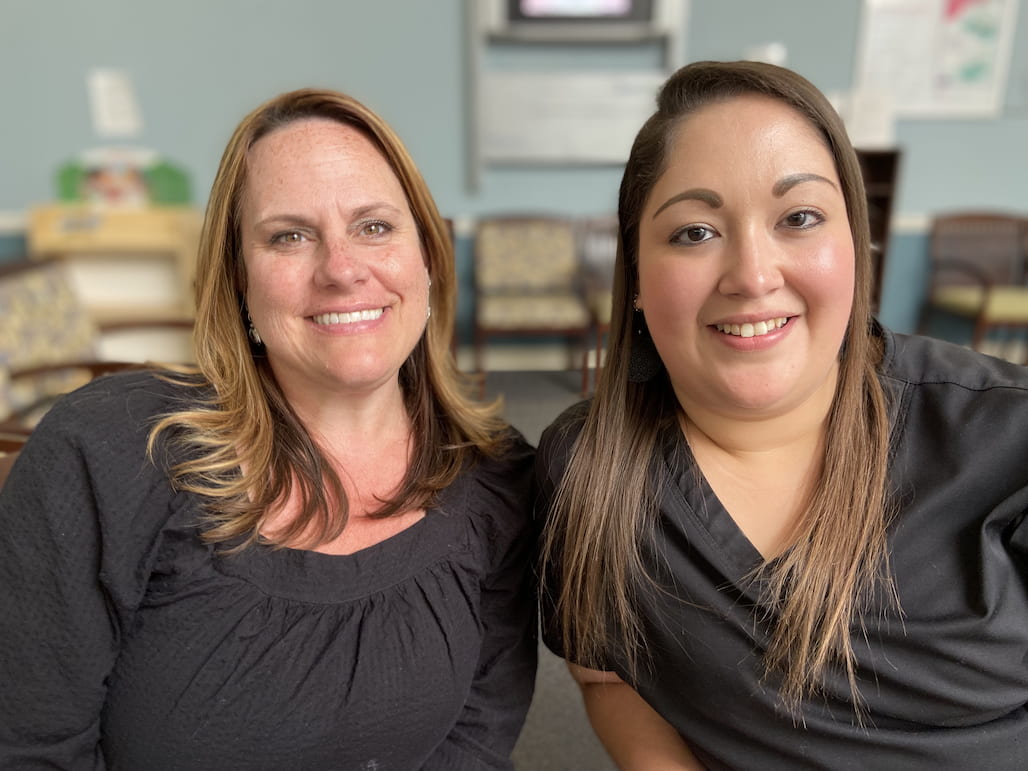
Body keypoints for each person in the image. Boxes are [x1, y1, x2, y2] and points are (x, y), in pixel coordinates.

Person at [0, 88, 537, 769]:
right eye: (289, 235)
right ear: (239, 280)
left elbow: (477, 736)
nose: (342, 269)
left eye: (375, 226)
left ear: (428, 258)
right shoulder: (108, 454)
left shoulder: (497, 478)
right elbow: (29, 749)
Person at [537, 60, 1028, 770]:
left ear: (857, 246)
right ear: (637, 279)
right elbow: (605, 673)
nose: (754, 275)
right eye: (695, 232)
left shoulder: (1004, 438)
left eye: (799, 218)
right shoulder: (588, 466)